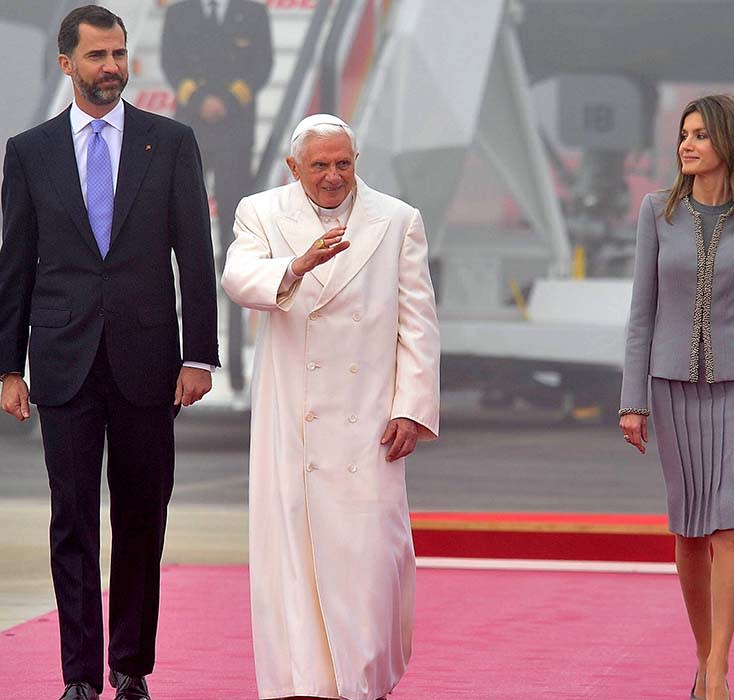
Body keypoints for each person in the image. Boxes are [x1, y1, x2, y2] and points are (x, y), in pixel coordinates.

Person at [0, 6, 219, 700]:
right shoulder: (28, 151)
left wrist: (200, 356)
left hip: (148, 362)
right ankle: (78, 678)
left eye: (120, 54)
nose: (112, 68)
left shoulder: (171, 142)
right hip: (62, 362)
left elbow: (196, 256)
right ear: (67, 64)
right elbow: (17, 266)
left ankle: (130, 670)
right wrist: (8, 365)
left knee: (141, 517)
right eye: (97, 56)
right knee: (72, 524)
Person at [221, 113, 440, 700]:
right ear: (295, 168)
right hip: (292, 414)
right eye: (319, 165)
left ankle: (367, 680)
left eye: (343, 163)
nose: (333, 176)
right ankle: (304, 685)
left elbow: (418, 322)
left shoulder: (396, 220)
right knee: (291, 551)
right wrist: (296, 266)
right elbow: (239, 278)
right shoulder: (261, 212)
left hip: (369, 415)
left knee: (372, 555)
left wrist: (413, 406)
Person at [619, 94, 734, 700]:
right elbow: (641, 314)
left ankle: (718, 670)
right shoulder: (655, 212)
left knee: (729, 525)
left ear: (729, 142)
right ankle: (701, 654)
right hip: (669, 391)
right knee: (690, 531)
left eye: (699, 135)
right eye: (683, 135)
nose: (686, 145)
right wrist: (630, 399)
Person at [161, 0, 273, 394]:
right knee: (180, 227)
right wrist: (197, 99)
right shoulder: (180, 13)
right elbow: (171, 63)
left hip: (234, 133)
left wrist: (227, 100)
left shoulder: (252, 13)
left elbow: (262, 67)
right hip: (190, 131)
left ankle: (238, 357)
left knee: (236, 234)